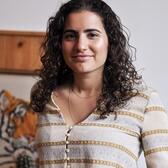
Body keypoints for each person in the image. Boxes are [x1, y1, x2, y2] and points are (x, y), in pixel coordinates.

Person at [30, 0, 168, 167]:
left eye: (92, 34)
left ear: (110, 41)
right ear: (60, 43)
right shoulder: (44, 96)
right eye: (70, 36)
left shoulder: (143, 101)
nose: (80, 46)